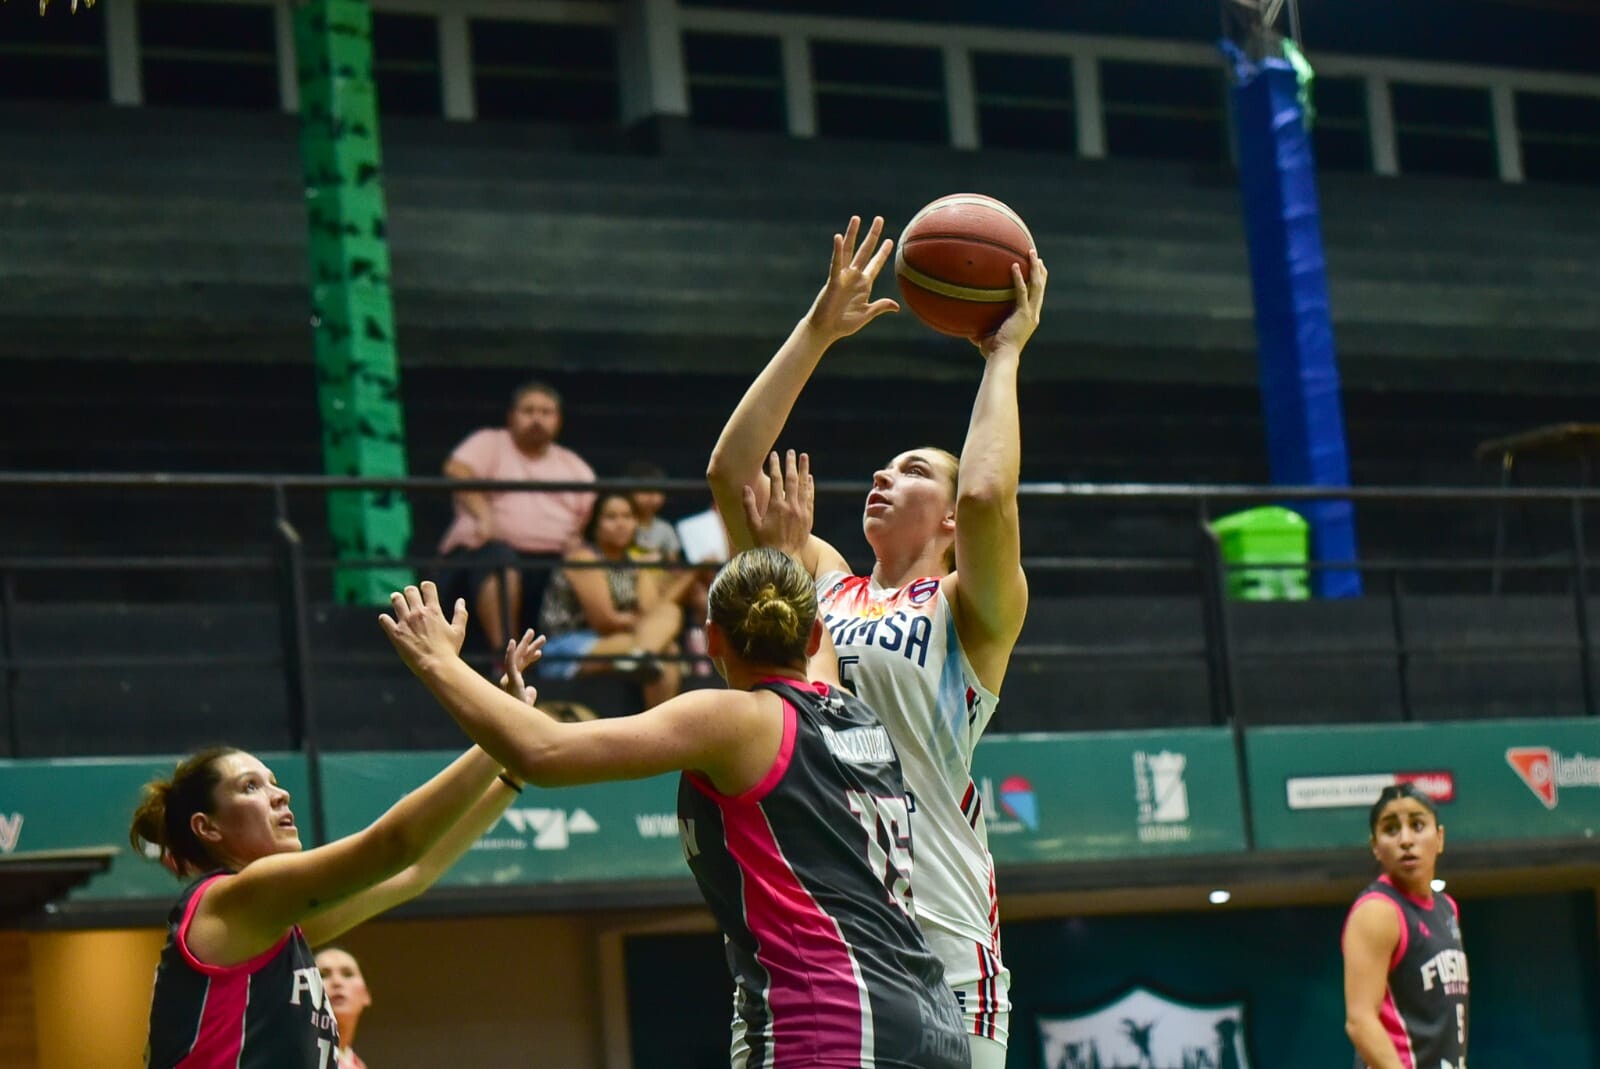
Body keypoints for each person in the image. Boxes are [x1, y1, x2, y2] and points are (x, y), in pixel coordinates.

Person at [381, 467, 969, 1069]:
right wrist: (785, 554)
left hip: (835, 1026)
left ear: (712, 639)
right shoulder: (851, 710)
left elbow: (545, 753)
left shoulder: (733, 720)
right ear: (816, 630)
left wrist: (437, 662)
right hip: (933, 1022)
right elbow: (807, 640)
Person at [706, 214, 1046, 1066]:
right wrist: (818, 329)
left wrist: (1003, 355)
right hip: (830, 941)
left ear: (947, 516)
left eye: (914, 469)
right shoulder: (816, 582)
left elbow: (987, 499)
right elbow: (731, 474)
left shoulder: (971, 606)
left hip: (945, 943)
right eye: (882, 467)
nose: (884, 476)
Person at [134, 634, 544, 1068]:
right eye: (250, 787)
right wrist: (501, 732)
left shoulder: (275, 927)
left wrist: (510, 775)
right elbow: (394, 845)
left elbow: (416, 871)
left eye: (274, 781)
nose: (280, 795)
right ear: (208, 827)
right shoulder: (233, 898)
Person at [438, 380, 596, 654]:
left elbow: (585, 517)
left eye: (546, 412)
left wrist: (576, 543)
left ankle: (597, 655)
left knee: (589, 562)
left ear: (558, 420)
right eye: (529, 410)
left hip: (552, 562)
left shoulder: (575, 466)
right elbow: (457, 470)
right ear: (512, 416)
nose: (538, 418)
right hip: (486, 557)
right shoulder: (489, 443)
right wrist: (483, 514)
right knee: (500, 559)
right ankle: (506, 656)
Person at [1343, 783, 1469, 1069]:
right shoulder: (1377, 912)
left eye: (1417, 825)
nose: (1406, 839)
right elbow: (1360, 1021)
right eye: (1391, 829)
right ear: (1375, 846)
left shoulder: (1447, 908)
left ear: (1439, 838)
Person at [536, 490, 698, 708]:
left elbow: (652, 611)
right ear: (595, 524)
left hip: (625, 643)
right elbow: (605, 620)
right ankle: (643, 663)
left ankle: (642, 663)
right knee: (667, 651)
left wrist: (687, 576)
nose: (621, 524)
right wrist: (643, 626)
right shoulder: (582, 558)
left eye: (627, 517)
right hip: (568, 645)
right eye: (611, 517)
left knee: (670, 613)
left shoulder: (634, 562)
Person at [314, 946, 372, 1069]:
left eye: (348, 974)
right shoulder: (295, 1055)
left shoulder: (358, 1065)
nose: (337, 982)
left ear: (366, 994)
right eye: (323, 975)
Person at [622, 459, 683, 561]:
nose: (651, 497)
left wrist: (662, 557)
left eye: (657, 491)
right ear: (630, 492)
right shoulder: (623, 525)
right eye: (644, 491)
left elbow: (674, 564)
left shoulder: (666, 529)